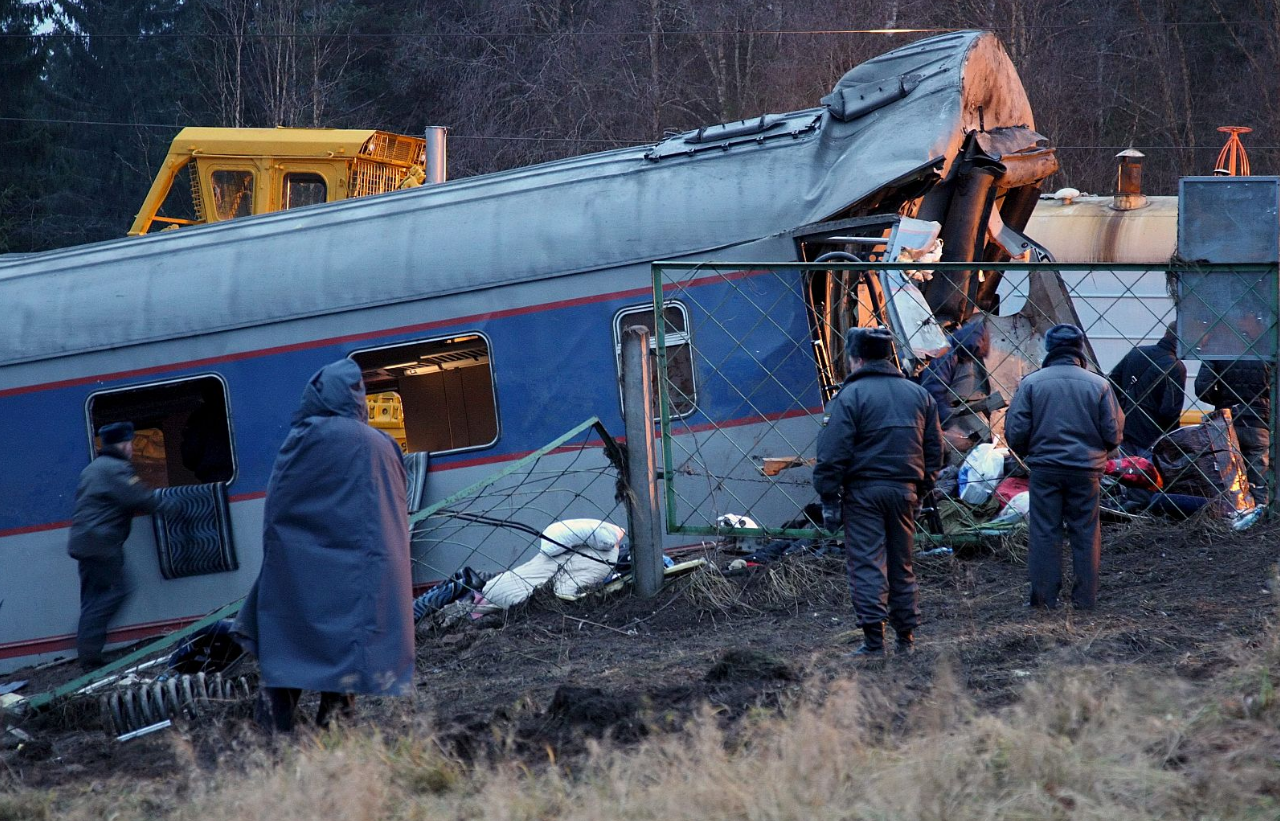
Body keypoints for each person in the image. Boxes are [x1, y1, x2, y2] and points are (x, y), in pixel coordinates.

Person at [234, 359, 413, 732]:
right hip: (358, 575)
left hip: (300, 577)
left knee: (287, 657)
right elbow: (394, 512)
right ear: (357, 398)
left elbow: (278, 510)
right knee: (345, 662)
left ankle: (269, 742)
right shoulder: (380, 444)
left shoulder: (299, 440)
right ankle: (333, 742)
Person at [813, 327, 944, 657]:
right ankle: (906, 639)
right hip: (905, 493)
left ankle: (874, 641)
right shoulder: (919, 395)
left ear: (857, 359)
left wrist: (829, 497)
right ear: (888, 356)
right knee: (902, 564)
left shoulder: (849, 397)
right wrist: (922, 487)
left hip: (863, 495)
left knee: (868, 563)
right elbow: (935, 452)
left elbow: (832, 453)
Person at [1005, 324, 1123, 610]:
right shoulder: (1099, 385)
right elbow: (1113, 433)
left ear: (1049, 348)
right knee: (1086, 531)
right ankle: (1085, 600)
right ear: (1079, 349)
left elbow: (1016, 431)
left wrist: (1031, 454)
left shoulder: (1032, 383)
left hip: (1046, 469)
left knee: (1045, 531)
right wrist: (1096, 455)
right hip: (1086, 471)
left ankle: (1044, 600)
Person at [67, 421, 164, 670]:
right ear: (122, 444)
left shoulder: (93, 468)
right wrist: (174, 506)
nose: (131, 448)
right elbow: (141, 498)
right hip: (102, 543)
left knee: (93, 598)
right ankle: (89, 658)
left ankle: (88, 653)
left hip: (85, 542)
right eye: (130, 443)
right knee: (116, 591)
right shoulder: (116, 469)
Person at [919, 316, 998, 460]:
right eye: (974, 356)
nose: (971, 360)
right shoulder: (946, 355)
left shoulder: (952, 351)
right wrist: (949, 423)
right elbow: (932, 390)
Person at [1194, 358, 1272, 497]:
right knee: (1259, 482)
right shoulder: (1268, 350)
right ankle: (1260, 513)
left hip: (1226, 422)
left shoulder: (1219, 350)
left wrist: (1223, 401)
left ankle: (1231, 514)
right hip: (1258, 424)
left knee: (1228, 481)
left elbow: (1203, 389)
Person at [1106, 323, 1186, 454]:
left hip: (1123, 432)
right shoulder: (1176, 367)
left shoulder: (1136, 352)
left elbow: (1112, 385)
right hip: (1151, 440)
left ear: (1166, 334)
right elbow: (1169, 412)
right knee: (1148, 473)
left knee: (1125, 472)